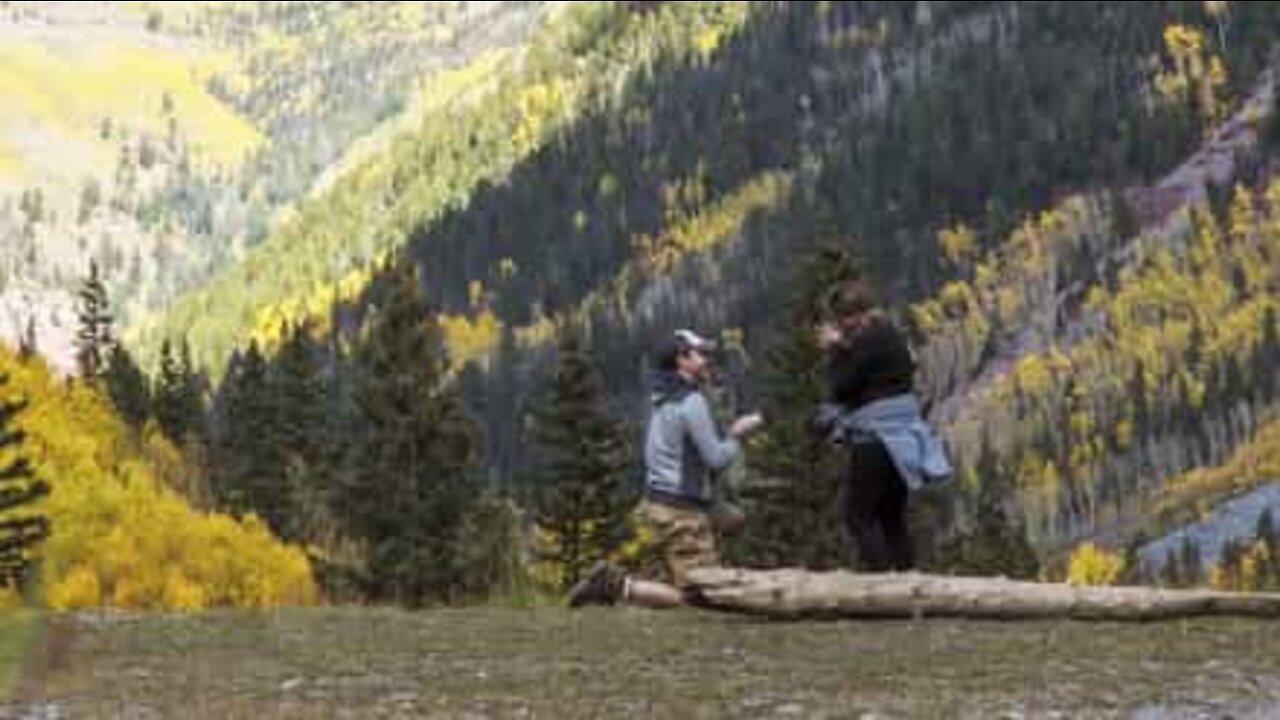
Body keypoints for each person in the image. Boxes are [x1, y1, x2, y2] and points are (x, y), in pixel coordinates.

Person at [567, 329, 764, 608]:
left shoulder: (660, 397)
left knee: (732, 521)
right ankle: (615, 585)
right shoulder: (691, 403)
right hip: (683, 511)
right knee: (700, 599)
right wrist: (736, 434)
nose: (707, 359)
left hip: (658, 502)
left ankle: (639, 583)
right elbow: (716, 459)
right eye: (700, 354)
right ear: (682, 360)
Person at [814, 281, 952, 572]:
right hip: (902, 434)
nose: (841, 326)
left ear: (854, 316)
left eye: (842, 319)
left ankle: (882, 579)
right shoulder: (889, 336)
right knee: (891, 515)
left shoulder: (865, 342)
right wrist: (844, 346)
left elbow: (842, 388)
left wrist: (835, 352)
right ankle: (907, 578)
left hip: (875, 437)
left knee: (858, 515)